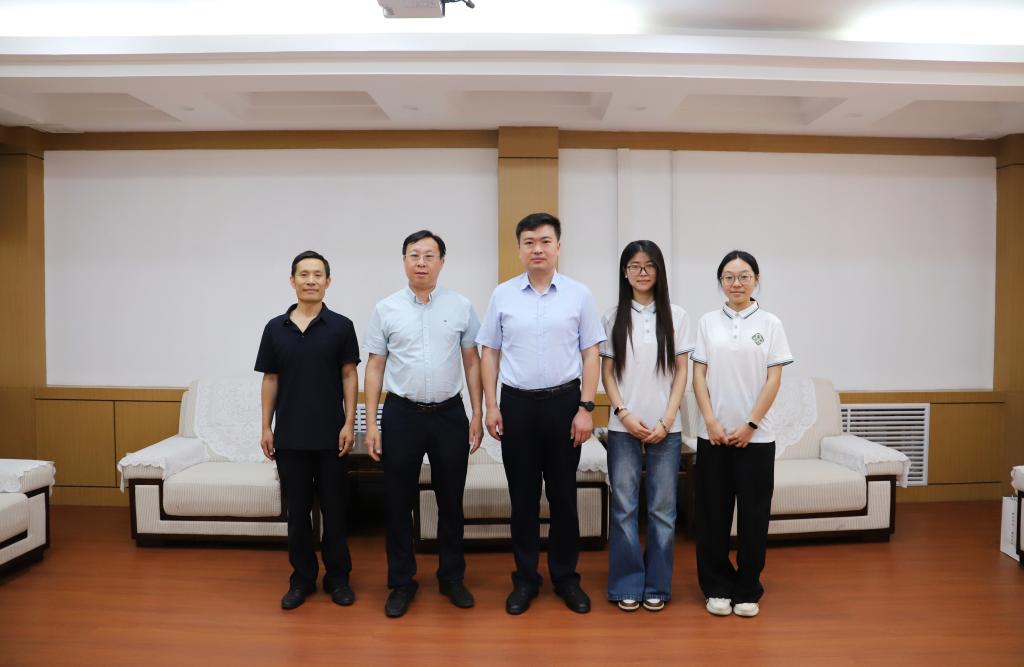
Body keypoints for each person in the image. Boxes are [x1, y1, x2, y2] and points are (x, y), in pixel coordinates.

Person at [476, 212, 606, 615]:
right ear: (519, 249)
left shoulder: (579, 295)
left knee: (564, 496)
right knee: (523, 498)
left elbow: (591, 353)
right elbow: (489, 352)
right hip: (516, 405)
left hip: (565, 405)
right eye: (529, 242)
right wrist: (492, 405)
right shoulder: (502, 295)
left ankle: (566, 578)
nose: (537, 249)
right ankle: (526, 580)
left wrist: (586, 408)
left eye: (545, 241)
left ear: (558, 247)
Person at [364, 230, 484, 618]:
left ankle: (452, 577)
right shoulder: (386, 309)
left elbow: (472, 362)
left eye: (429, 255)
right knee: (397, 502)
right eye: (414, 255)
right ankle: (402, 582)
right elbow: (375, 366)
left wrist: (477, 413)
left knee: (451, 500)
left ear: (441, 262)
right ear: (404, 261)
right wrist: (373, 424)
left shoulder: (461, 306)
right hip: (402, 414)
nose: (421, 262)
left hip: (449, 414)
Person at [255, 250, 360, 610]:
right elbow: (270, 379)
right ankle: (301, 579)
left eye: (318, 275)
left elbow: (349, 375)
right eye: (304, 274)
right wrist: (265, 427)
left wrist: (349, 422)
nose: (311, 280)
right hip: (290, 437)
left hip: (332, 436)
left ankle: (338, 578)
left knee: (335, 511)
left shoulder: (341, 326)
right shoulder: (275, 328)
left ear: (327, 282)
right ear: (292, 281)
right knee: (297, 513)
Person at [691, 250, 793, 618]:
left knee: (753, 516)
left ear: (756, 280)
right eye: (729, 277)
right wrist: (711, 422)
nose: (736, 283)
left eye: (744, 276)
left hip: (757, 438)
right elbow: (698, 376)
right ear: (720, 281)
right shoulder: (707, 323)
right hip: (714, 436)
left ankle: (748, 587)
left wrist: (750, 424)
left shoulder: (771, 324)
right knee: (712, 516)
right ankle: (716, 586)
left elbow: (774, 379)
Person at [600, 240, 693, 612]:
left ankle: (657, 584)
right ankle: (625, 583)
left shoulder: (677, 315)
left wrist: (668, 419)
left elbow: (682, 371)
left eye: (649, 265)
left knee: (662, 510)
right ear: (625, 273)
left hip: (666, 427)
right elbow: (607, 373)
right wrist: (623, 412)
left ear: (659, 271)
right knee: (623, 507)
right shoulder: (612, 317)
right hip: (623, 426)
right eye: (635, 266)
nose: (642, 272)